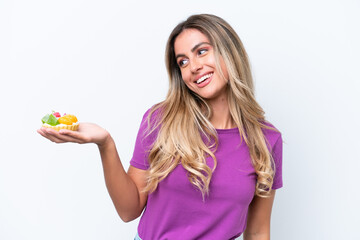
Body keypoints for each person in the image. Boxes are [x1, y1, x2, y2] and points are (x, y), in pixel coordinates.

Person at [37, 14, 283, 240]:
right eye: (183, 62)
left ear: (230, 53)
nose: (193, 66)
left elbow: (258, 231)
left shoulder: (266, 139)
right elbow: (128, 210)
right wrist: (105, 144)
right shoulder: (161, 120)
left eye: (202, 51)